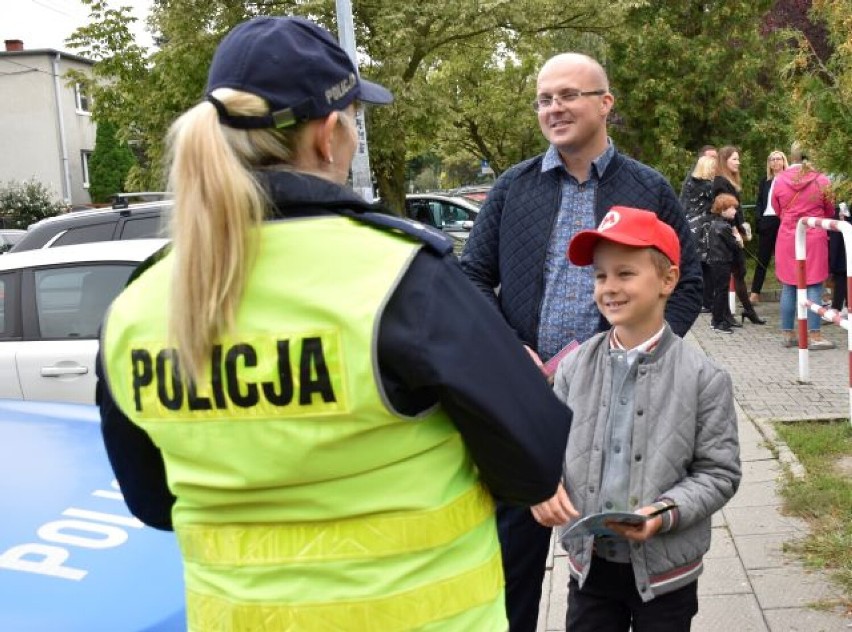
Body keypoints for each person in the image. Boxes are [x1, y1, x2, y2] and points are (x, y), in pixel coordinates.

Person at [96, 16, 573, 631]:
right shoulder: (401, 276)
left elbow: (154, 502)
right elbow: (534, 463)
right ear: (327, 137)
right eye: (353, 119)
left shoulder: (140, 302)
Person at [459, 52, 703, 631]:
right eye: (545, 98)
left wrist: (643, 356)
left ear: (605, 104)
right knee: (509, 565)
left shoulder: (648, 188)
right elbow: (470, 277)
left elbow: (688, 281)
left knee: (612, 569)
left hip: (618, 402)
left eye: (568, 94)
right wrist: (505, 349)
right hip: (526, 403)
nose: (554, 107)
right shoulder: (513, 188)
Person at [531, 206, 741, 632]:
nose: (609, 288)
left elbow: (719, 472)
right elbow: (548, 447)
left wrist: (665, 512)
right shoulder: (573, 368)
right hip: (589, 567)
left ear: (667, 280)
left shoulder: (705, 378)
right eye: (600, 276)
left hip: (665, 574)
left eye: (625, 274)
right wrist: (543, 486)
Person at [773, 143, 837, 349]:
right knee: (814, 284)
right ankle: (815, 335)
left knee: (789, 284)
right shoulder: (821, 179)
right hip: (814, 235)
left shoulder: (779, 180)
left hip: (788, 235)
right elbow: (830, 209)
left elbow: (777, 208)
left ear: (791, 157)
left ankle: (787, 333)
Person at [711, 145, 765, 325]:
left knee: (739, 272)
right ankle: (728, 315)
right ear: (724, 161)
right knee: (731, 275)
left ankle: (744, 311)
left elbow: (736, 209)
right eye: (734, 159)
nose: (738, 162)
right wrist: (736, 231)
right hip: (727, 234)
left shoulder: (729, 180)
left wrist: (742, 226)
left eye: (738, 158)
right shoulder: (720, 182)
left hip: (734, 230)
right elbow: (724, 208)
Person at [749, 150, 789, 304]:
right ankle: (754, 293)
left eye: (778, 159)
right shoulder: (765, 181)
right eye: (772, 159)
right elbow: (759, 202)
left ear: (784, 161)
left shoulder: (789, 180)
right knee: (762, 259)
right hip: (767, 221)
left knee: (784, 258)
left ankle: (788, 292)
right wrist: (759, 219)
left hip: (782, 221)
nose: (775, 162)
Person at [680, 154, 717, 311]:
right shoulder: (709, 187)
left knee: (695, 265)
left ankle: (695, 299)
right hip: (704, 227)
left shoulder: (690, 184)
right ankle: (706, 301)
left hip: (690, 225)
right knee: (707, 266)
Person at [707, 193, 744, 333]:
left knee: (720, 291)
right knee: (721, 292)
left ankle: (718, 319)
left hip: (716, 262)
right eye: (732, 208)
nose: (735, 211)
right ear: (723, 210)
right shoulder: (724, 227)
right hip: (722, 262)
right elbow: (736, 245)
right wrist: (738, 236)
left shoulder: (715, 224)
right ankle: (717, 322)